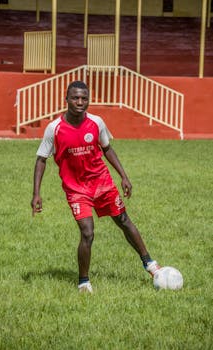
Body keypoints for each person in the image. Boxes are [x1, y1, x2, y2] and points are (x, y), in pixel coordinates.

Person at [31, 80, 160, 293]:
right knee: (88, 233)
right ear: (66, 100)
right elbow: (41, 160)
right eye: (75, 98)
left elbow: (107, 148)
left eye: (84, 98)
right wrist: (36, 193)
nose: (80, 102)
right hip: (76, 189)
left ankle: (150, 264)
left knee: (123, 220)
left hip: (102, 183)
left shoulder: (97, 122)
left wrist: (124, 176)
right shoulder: (54, 128)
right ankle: (84, 282)